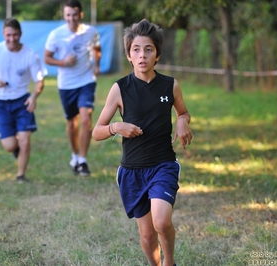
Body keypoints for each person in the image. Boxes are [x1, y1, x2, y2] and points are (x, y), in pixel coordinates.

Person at [92, 19, 193, 266]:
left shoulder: (171, 85)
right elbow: (96, 131)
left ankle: (170, 262)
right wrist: (116, 127)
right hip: (132, 170)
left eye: (148, 49)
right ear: (128, 54)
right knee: (147, 236)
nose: (142, 55)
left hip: (163, 165)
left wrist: (182, 121)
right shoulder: (120, 89)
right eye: (136, 49)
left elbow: (183, 112)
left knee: (161, 222)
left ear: (157, 54)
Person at [0, 18, 46, 183]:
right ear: (3, 34)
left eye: (15, 35)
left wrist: (34, 96)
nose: (12, 39)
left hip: (23, 102)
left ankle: (21, 175)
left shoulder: (30, 55)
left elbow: (39, 79)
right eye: (8, 35)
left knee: (25, 140)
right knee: (9, 146)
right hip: (1, 103)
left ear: (20, 34)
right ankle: (16, 148)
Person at [44, 0, 101, 177]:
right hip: (66, 84)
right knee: (72, 123)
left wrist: (96, 64)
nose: (71, 18)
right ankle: (75, 155)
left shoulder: (91, 32)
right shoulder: (56, 35)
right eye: (68, 15)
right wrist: (62, 62)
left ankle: (83, 161)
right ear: (64, 15)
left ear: (80, 15)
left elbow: (97, 48)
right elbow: (47, 58)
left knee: (86, 119)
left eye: (74, 15)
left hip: (86, 81)